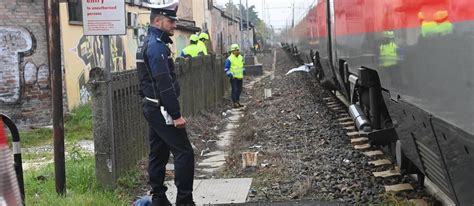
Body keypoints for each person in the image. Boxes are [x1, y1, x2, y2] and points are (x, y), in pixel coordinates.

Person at [136, 1, 195, 205]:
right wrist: (176, 114)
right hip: (161, 108)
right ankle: (185, 201)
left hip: (152, 106)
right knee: (185, 153)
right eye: (170, 21)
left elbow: (145, 81)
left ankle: (159, 198)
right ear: (158, 20)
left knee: (158, 153)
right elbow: (164, 85)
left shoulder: (151, 43)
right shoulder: (156, 48)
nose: (174, 25)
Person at [224, 44, 245, 108]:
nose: (237, 51)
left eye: (238, 50)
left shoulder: (241, 57)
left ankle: (238, 101)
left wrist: (244, 70)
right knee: (234, 90)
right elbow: (226, 68)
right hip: (233, 77)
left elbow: (242, 65)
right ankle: (235, 103)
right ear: (232, 51)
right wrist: (229, 74)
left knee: (239, 90)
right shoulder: (229, 59)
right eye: (236, 50)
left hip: (240, 77)